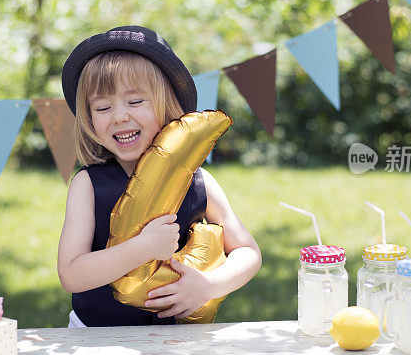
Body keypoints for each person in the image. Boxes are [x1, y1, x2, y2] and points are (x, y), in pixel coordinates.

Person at [57, 25, 261, 327]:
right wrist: (142, 248)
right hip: (97, 340)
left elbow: (248, 252)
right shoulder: (87, 185)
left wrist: (208, 286)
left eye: (135, 101)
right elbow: (71, 274)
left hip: (178, 340)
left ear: (167, 106)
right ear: (88, 119)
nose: (119, 116)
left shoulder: (199, 182)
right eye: (102, 107)